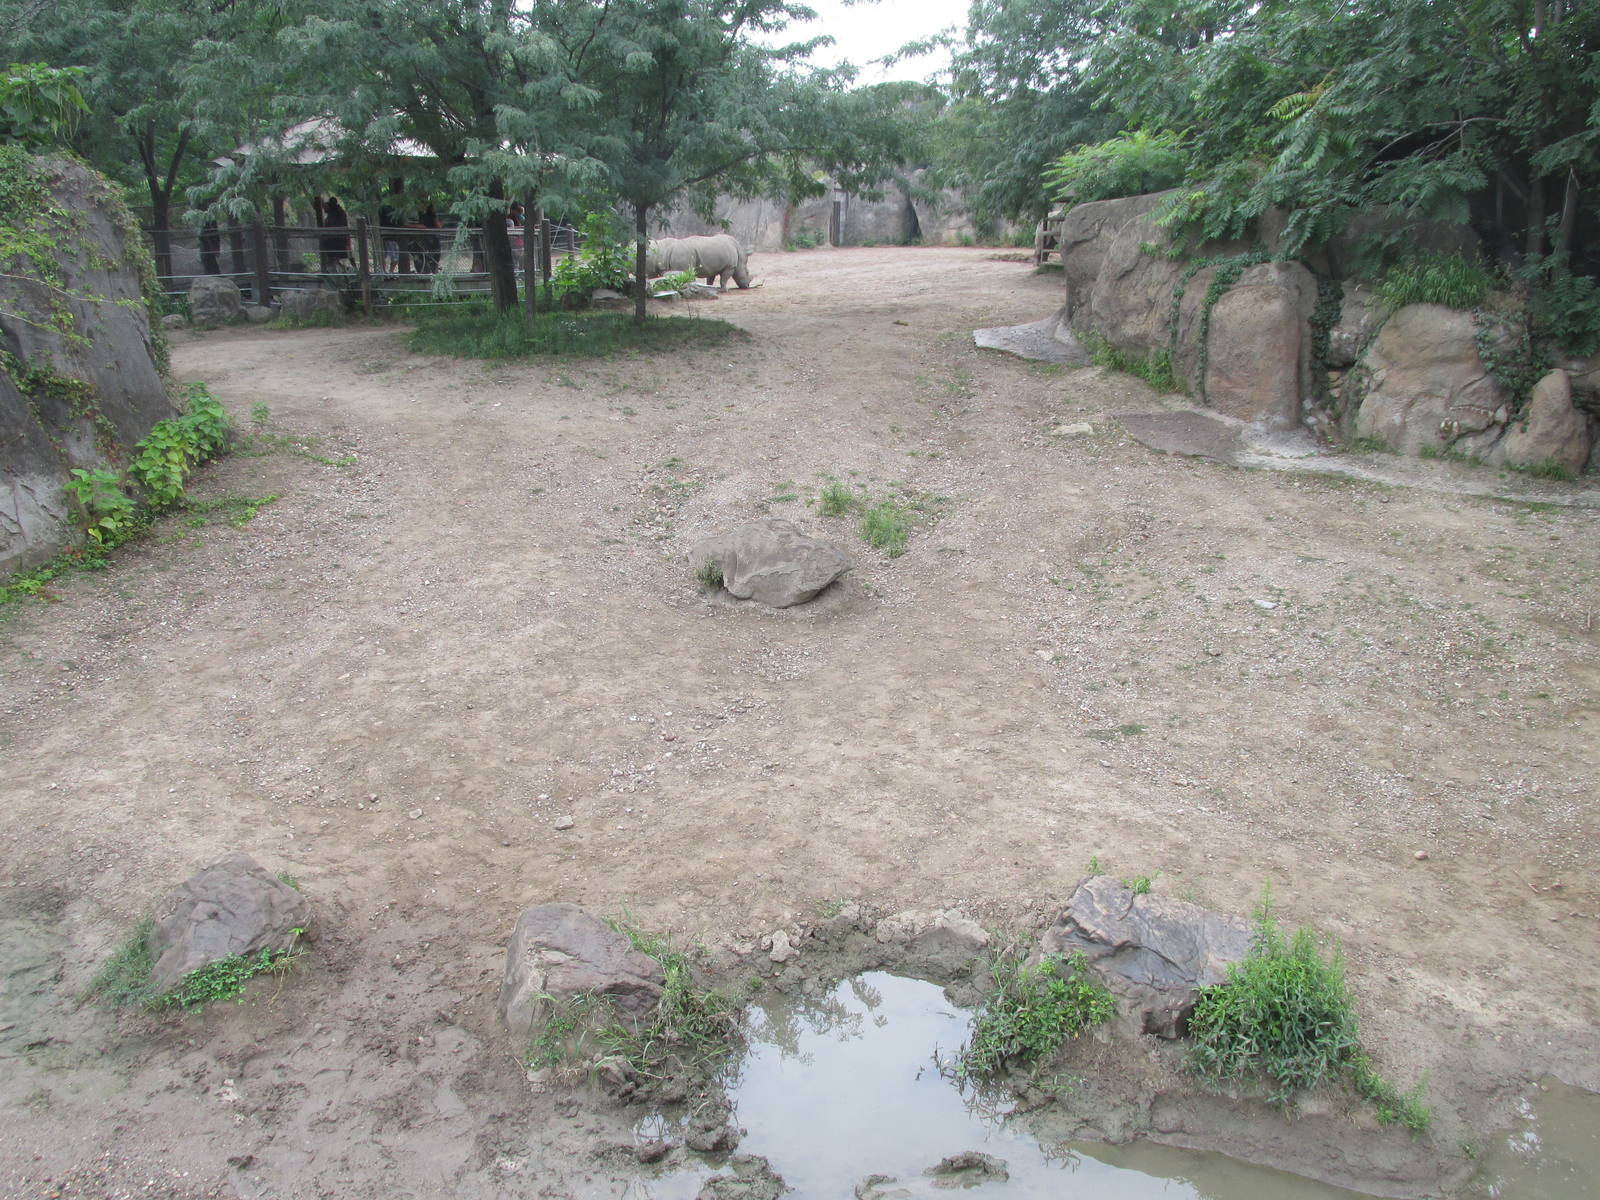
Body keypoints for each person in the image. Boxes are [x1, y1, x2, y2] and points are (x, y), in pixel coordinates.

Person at [319, 195, 350, 272]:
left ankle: (339, 271)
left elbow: (334, 225)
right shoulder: (336, 212)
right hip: (336, 239)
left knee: (334, 256)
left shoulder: (337, 212)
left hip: (336, 239)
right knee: (333, 257)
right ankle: (337, 270)